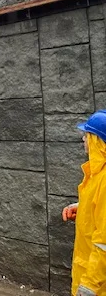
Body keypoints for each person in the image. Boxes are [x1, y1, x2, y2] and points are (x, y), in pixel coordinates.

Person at [61, 111, 106, 296]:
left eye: (87, 135)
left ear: (97, 141)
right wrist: (81, 208)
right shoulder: (97, 175)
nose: (83, 139)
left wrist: (89, 287)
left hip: (97, 284)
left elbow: (104, 243)